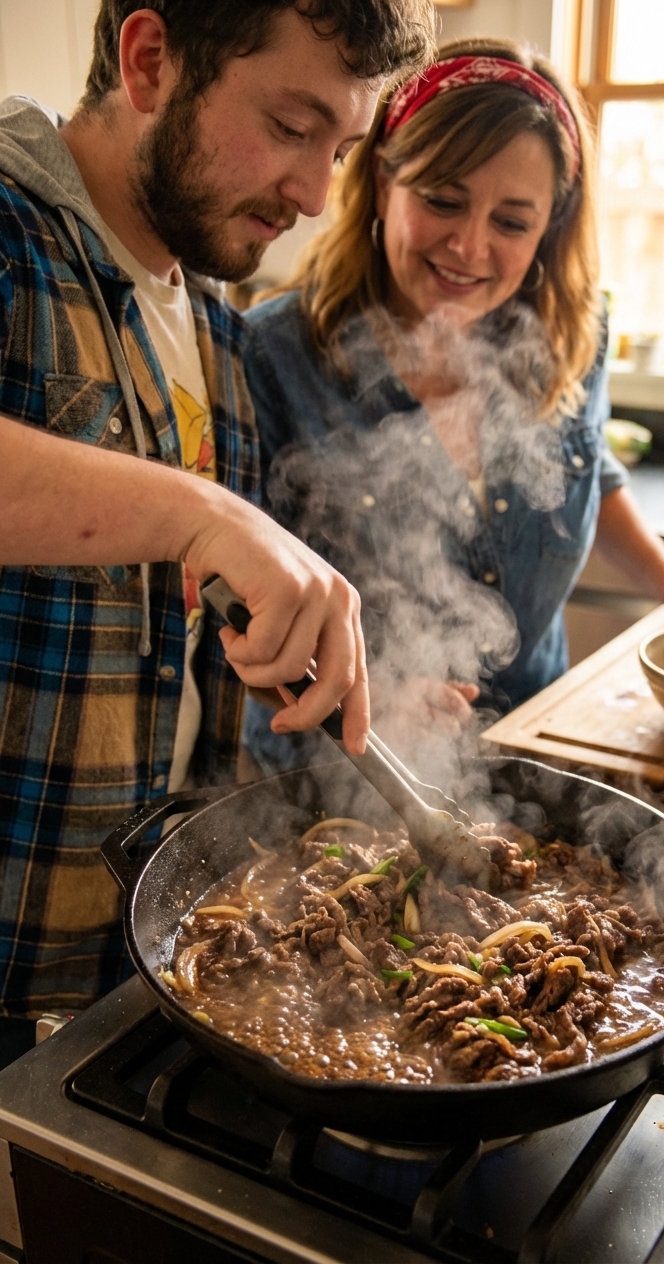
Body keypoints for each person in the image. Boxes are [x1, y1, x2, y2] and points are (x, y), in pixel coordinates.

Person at [0, 0, 435, 1042]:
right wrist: (198, 511)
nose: (316, 193)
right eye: (291, 127)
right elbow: (187, 524)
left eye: (339, 147)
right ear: (150, 60)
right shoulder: (13, 234)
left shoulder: (212, 327)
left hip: (132, 963)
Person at [241, 38, 664, 781]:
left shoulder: (571, 338)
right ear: (384, 179)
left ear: (550, 228)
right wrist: (374, 692)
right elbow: (235, 608)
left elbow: (593, 471)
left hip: (533, 756)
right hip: (345, 777)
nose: (469, 245)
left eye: (512, 222)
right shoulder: (269, 355)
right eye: (443, 200)